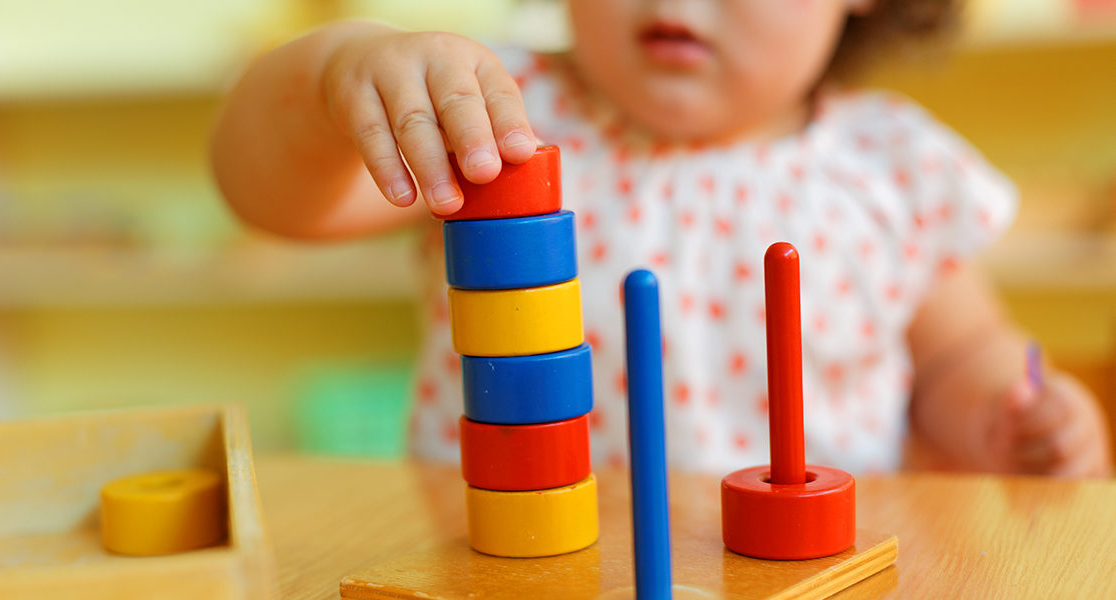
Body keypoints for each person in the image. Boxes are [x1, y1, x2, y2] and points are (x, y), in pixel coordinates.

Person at [211, 0, 1111, 477]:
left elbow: (961, 354)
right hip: (506, 572)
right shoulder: (496, 118)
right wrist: (342, 72)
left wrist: (1008, 415)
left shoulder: (890, 165)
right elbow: (270, 197)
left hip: (808, 577)